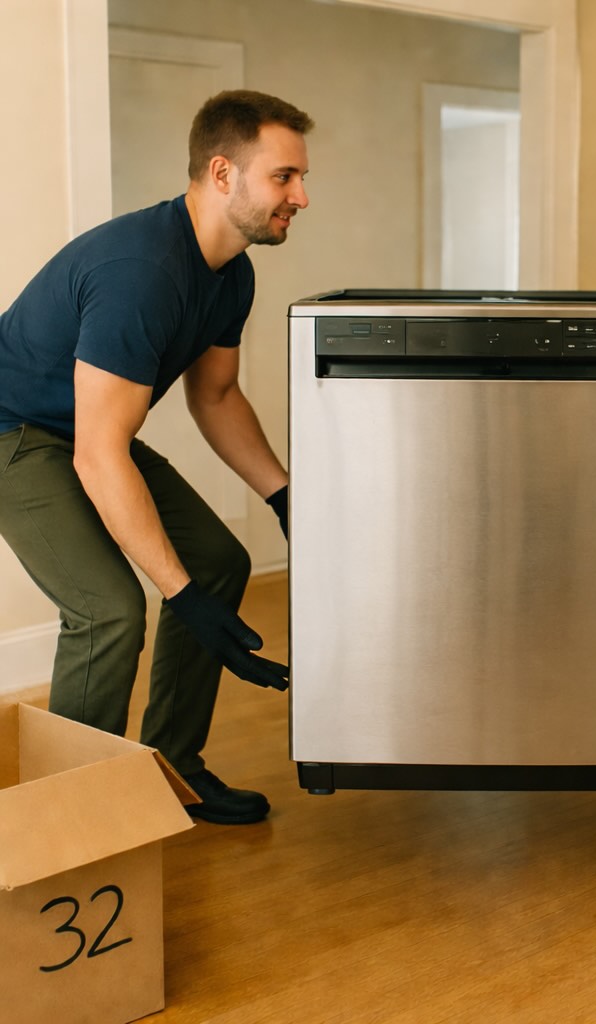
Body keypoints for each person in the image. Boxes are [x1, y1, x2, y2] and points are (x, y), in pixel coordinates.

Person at [0, 90, 313, 825]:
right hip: (12, 433)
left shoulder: (232, 274)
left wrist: (285, 497)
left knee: (220, 561)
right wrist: (182, 598)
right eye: (284, 177)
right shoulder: (141, 272)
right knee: (108, 611)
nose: (302, 196)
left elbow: (217, 397)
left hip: (84, 432)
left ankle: (174, 768)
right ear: (223, 172)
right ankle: (62, 816)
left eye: (301, 179)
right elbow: (100, 455)